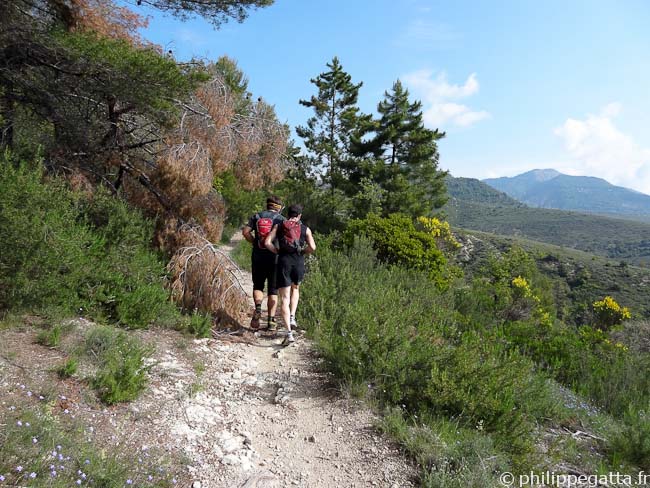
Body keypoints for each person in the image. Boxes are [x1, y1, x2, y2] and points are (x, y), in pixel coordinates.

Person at [264, 204, 316, 345]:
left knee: (284, 298)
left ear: (288, 214)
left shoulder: (279, 226)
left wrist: (276, 251)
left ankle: (288, 334)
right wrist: (303, 252)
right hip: (298, 261)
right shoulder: (305, 229)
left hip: (283, 261)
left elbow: (267, 242)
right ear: (299, 215)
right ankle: (292, 316)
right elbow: (313, 247)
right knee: (296, 289)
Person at [242, 196, 285, 330]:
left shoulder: (257, 216)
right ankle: (271, 321)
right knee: (273, 289)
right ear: (278, 207)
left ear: (267, 205)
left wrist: (254, 241)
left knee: (258, 285)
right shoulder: (281, 220)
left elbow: (245, 232)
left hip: (258, 256)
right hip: (275, 258)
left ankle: (258, 308)